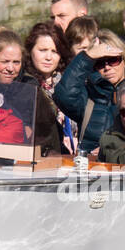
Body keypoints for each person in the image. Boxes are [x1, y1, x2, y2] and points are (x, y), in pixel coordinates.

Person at [52, 29, 125, 154]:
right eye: (100, 62)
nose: (107, 67)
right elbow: (64, 96)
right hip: (91, 167)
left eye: (113, 60)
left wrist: (113, 150)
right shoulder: (88, 97)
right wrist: (87, 57)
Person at [24, 22, 76, 155]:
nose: (48, 57)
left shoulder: (70, 82)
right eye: (42, 50)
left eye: (55, 51)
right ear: (31, 50)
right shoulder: (24, 85)